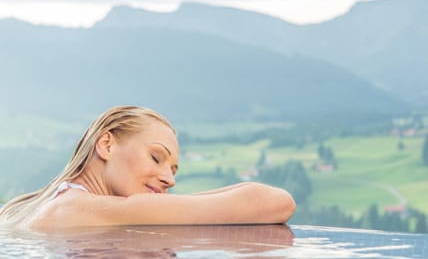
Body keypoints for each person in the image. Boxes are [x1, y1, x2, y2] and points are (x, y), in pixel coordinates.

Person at [0, 106, 296, 230]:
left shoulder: (55, 203)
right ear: (106, 145)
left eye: (174, 170)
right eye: (156, 158)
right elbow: (276, 202)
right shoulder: (76, 209)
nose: (169, 179)